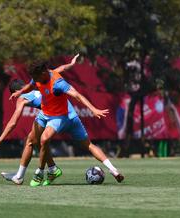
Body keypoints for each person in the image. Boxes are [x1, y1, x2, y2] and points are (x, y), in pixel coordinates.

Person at [11, 54, 124, 186]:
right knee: (87, 144)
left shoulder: (58, 83)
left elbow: (77, 95)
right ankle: (113, 170)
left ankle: (40, 173)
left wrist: (93, 109)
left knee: (44, 139)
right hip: (68, 116)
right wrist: (20, 92)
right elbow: (32, 84)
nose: (34, 80)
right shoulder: (39, 77)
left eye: (36, 77)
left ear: (43, 73)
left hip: (59, 117)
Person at [0, 54, 80, 185]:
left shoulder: (22, 97)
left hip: (59, 114)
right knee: (35, 140)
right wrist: (72, 64)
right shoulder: (41, 80)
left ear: (15, 92)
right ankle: (51, 168)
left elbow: (13, 122)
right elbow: (60, 69)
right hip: (58, 110)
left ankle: (24, 175)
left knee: (33, 141)